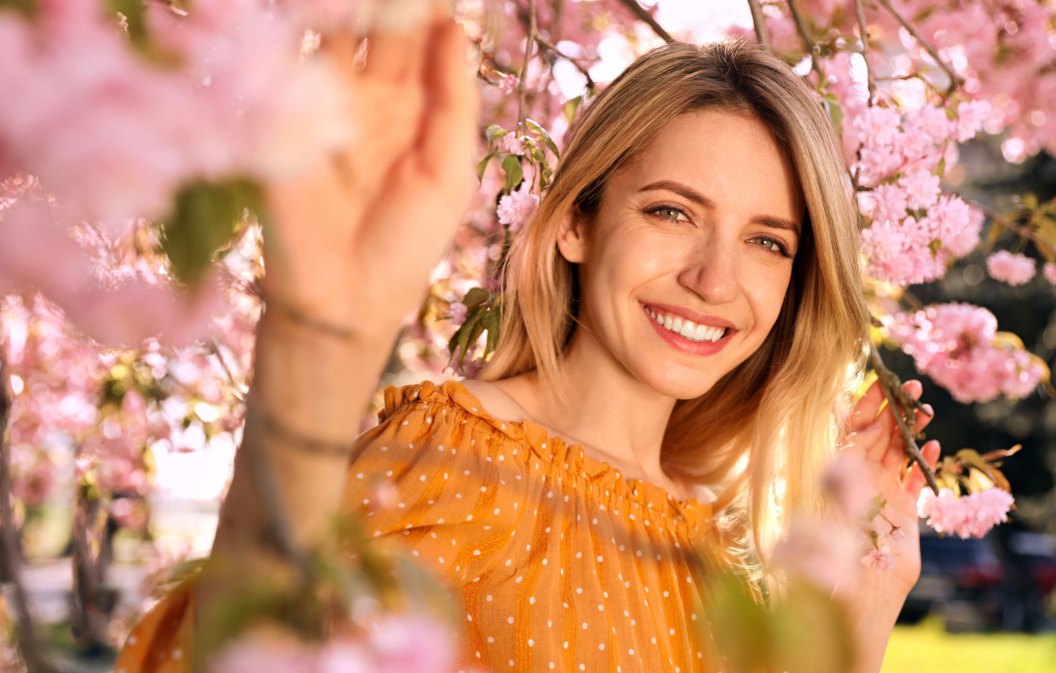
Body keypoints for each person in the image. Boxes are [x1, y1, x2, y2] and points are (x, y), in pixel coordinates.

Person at [117, 7, 940, 673]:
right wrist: (317, 334)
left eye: (768, 241)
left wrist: (864, 606)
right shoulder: (452, 459)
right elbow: (233, 648)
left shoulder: (712, 554)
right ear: (576, 221)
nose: (715, 280)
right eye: (671, 211)